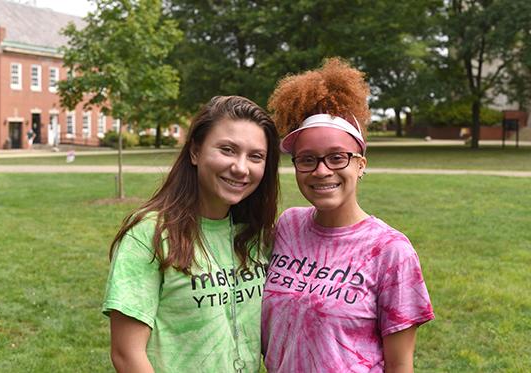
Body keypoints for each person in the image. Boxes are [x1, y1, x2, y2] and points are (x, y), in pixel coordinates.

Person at [261, 58, 434, 373]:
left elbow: (399, 366)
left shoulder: (391, 251)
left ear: (361, 164)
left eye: (337, 157)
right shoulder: (288, 226)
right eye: (307, 159)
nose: (321, 170)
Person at [102, 96, 280, 373]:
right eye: (228, 149)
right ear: (195, 152)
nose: (241, 167)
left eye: (255, 156)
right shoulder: (150, 234)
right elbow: (127, 354)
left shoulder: (256, 236)